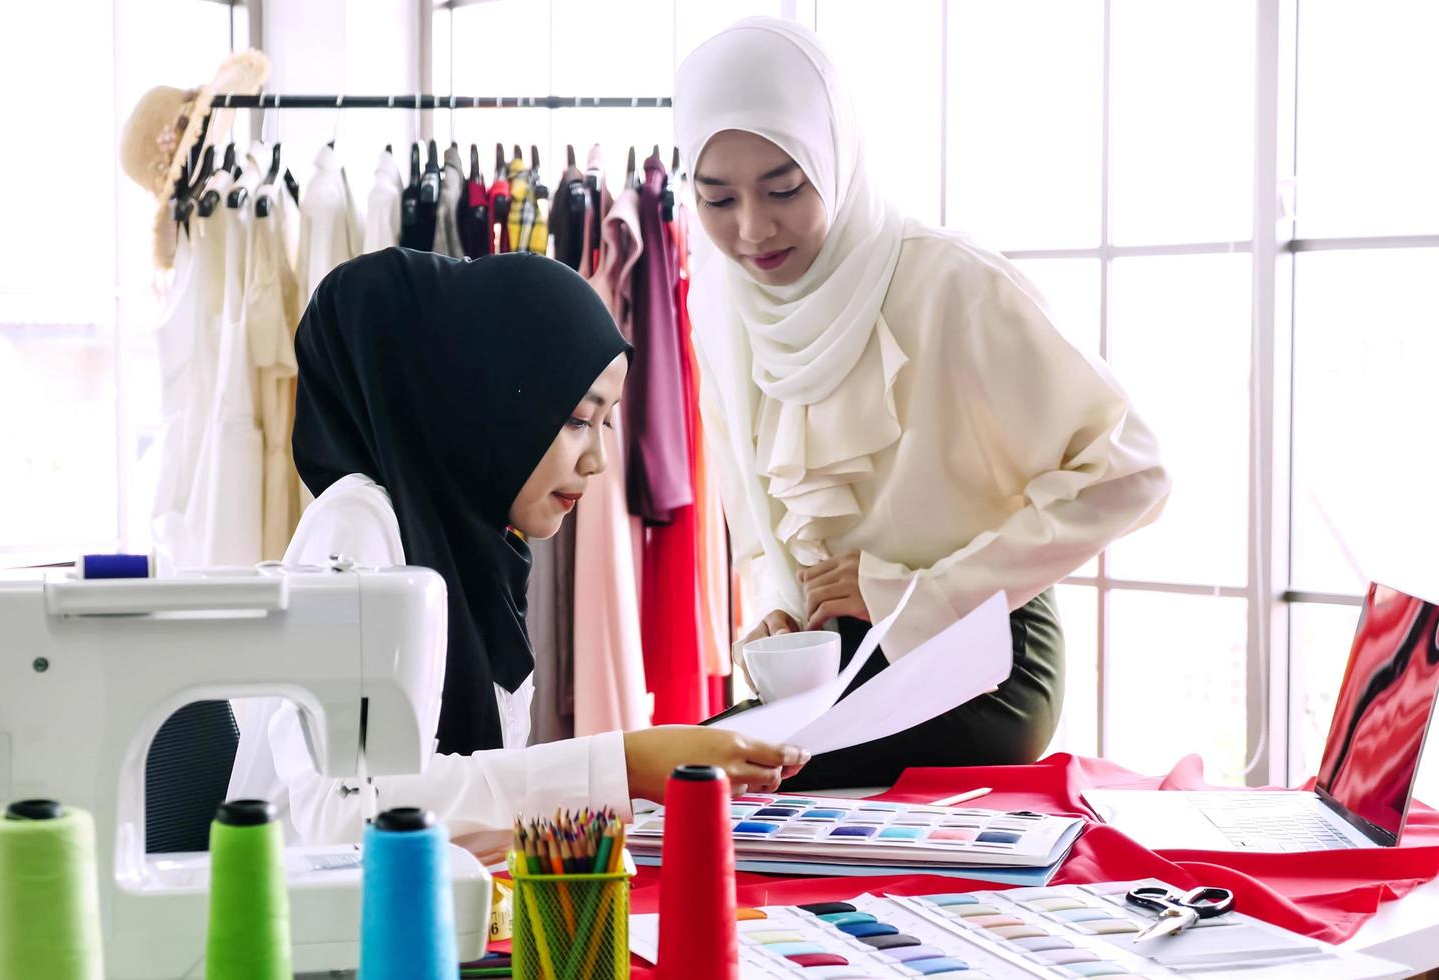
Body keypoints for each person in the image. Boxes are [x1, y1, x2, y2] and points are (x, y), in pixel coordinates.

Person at [674, 18, 1172, 788]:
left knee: (690, 777)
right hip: (833, 663)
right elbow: (755, 514)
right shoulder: (721, 303)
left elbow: (1133, 472)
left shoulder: (950, 282)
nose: (752, 229)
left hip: (983, 658)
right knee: (692, 776)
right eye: (718, 198)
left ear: (835, 159)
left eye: (784, 188)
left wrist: (926, 592)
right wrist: (776, 603)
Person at [227, 248, 808, 848]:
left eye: (605, 423)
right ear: (490, 402)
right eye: (578, 420)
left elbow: (480, 807)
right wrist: (624, 766)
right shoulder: (356, 528)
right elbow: (349, 814)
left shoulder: (485, 556)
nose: (598, 460)